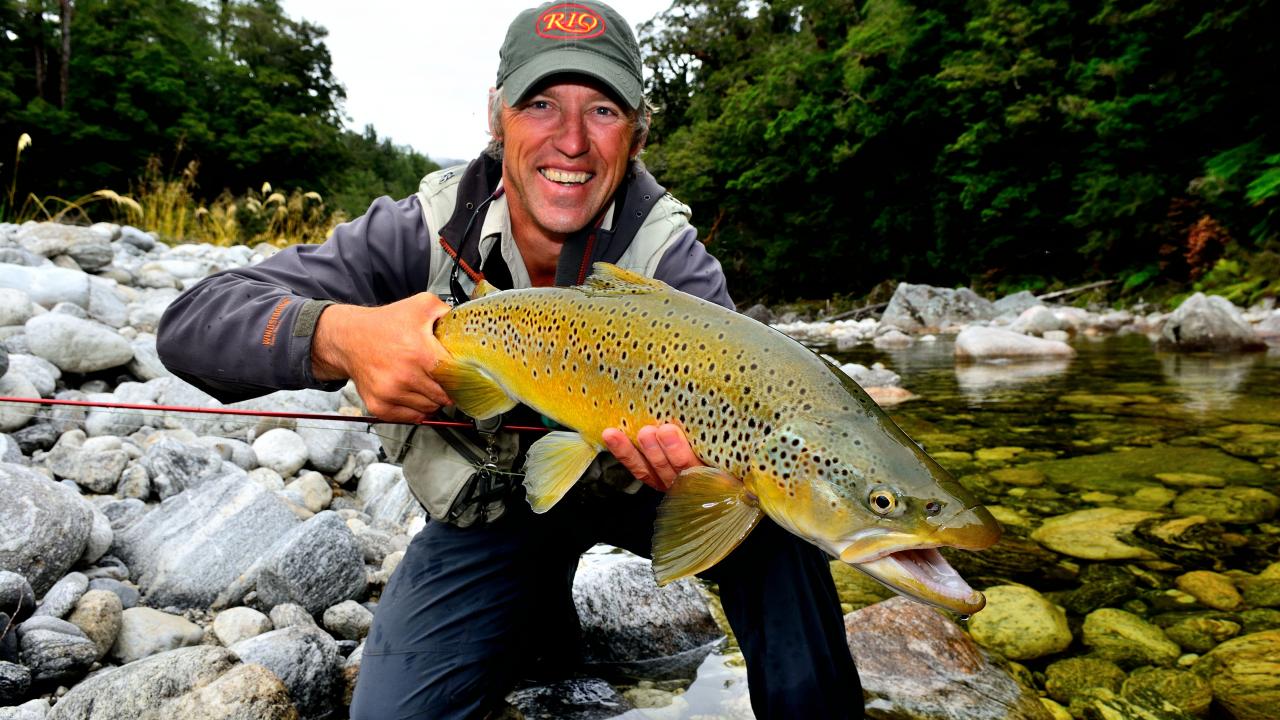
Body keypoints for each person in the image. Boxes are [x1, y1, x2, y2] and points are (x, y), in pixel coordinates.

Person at [157, 2, 862, 717]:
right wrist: (340, 335)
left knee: (779, 518)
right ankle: (539, 622)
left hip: (638, 496)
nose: (571, 141)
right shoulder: (417, 232)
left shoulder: (674, 265)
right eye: (540, 105)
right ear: (496, 118)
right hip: (490, 513)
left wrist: (721, 468)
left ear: (639, 134)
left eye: (604, 111)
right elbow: (193, 324)